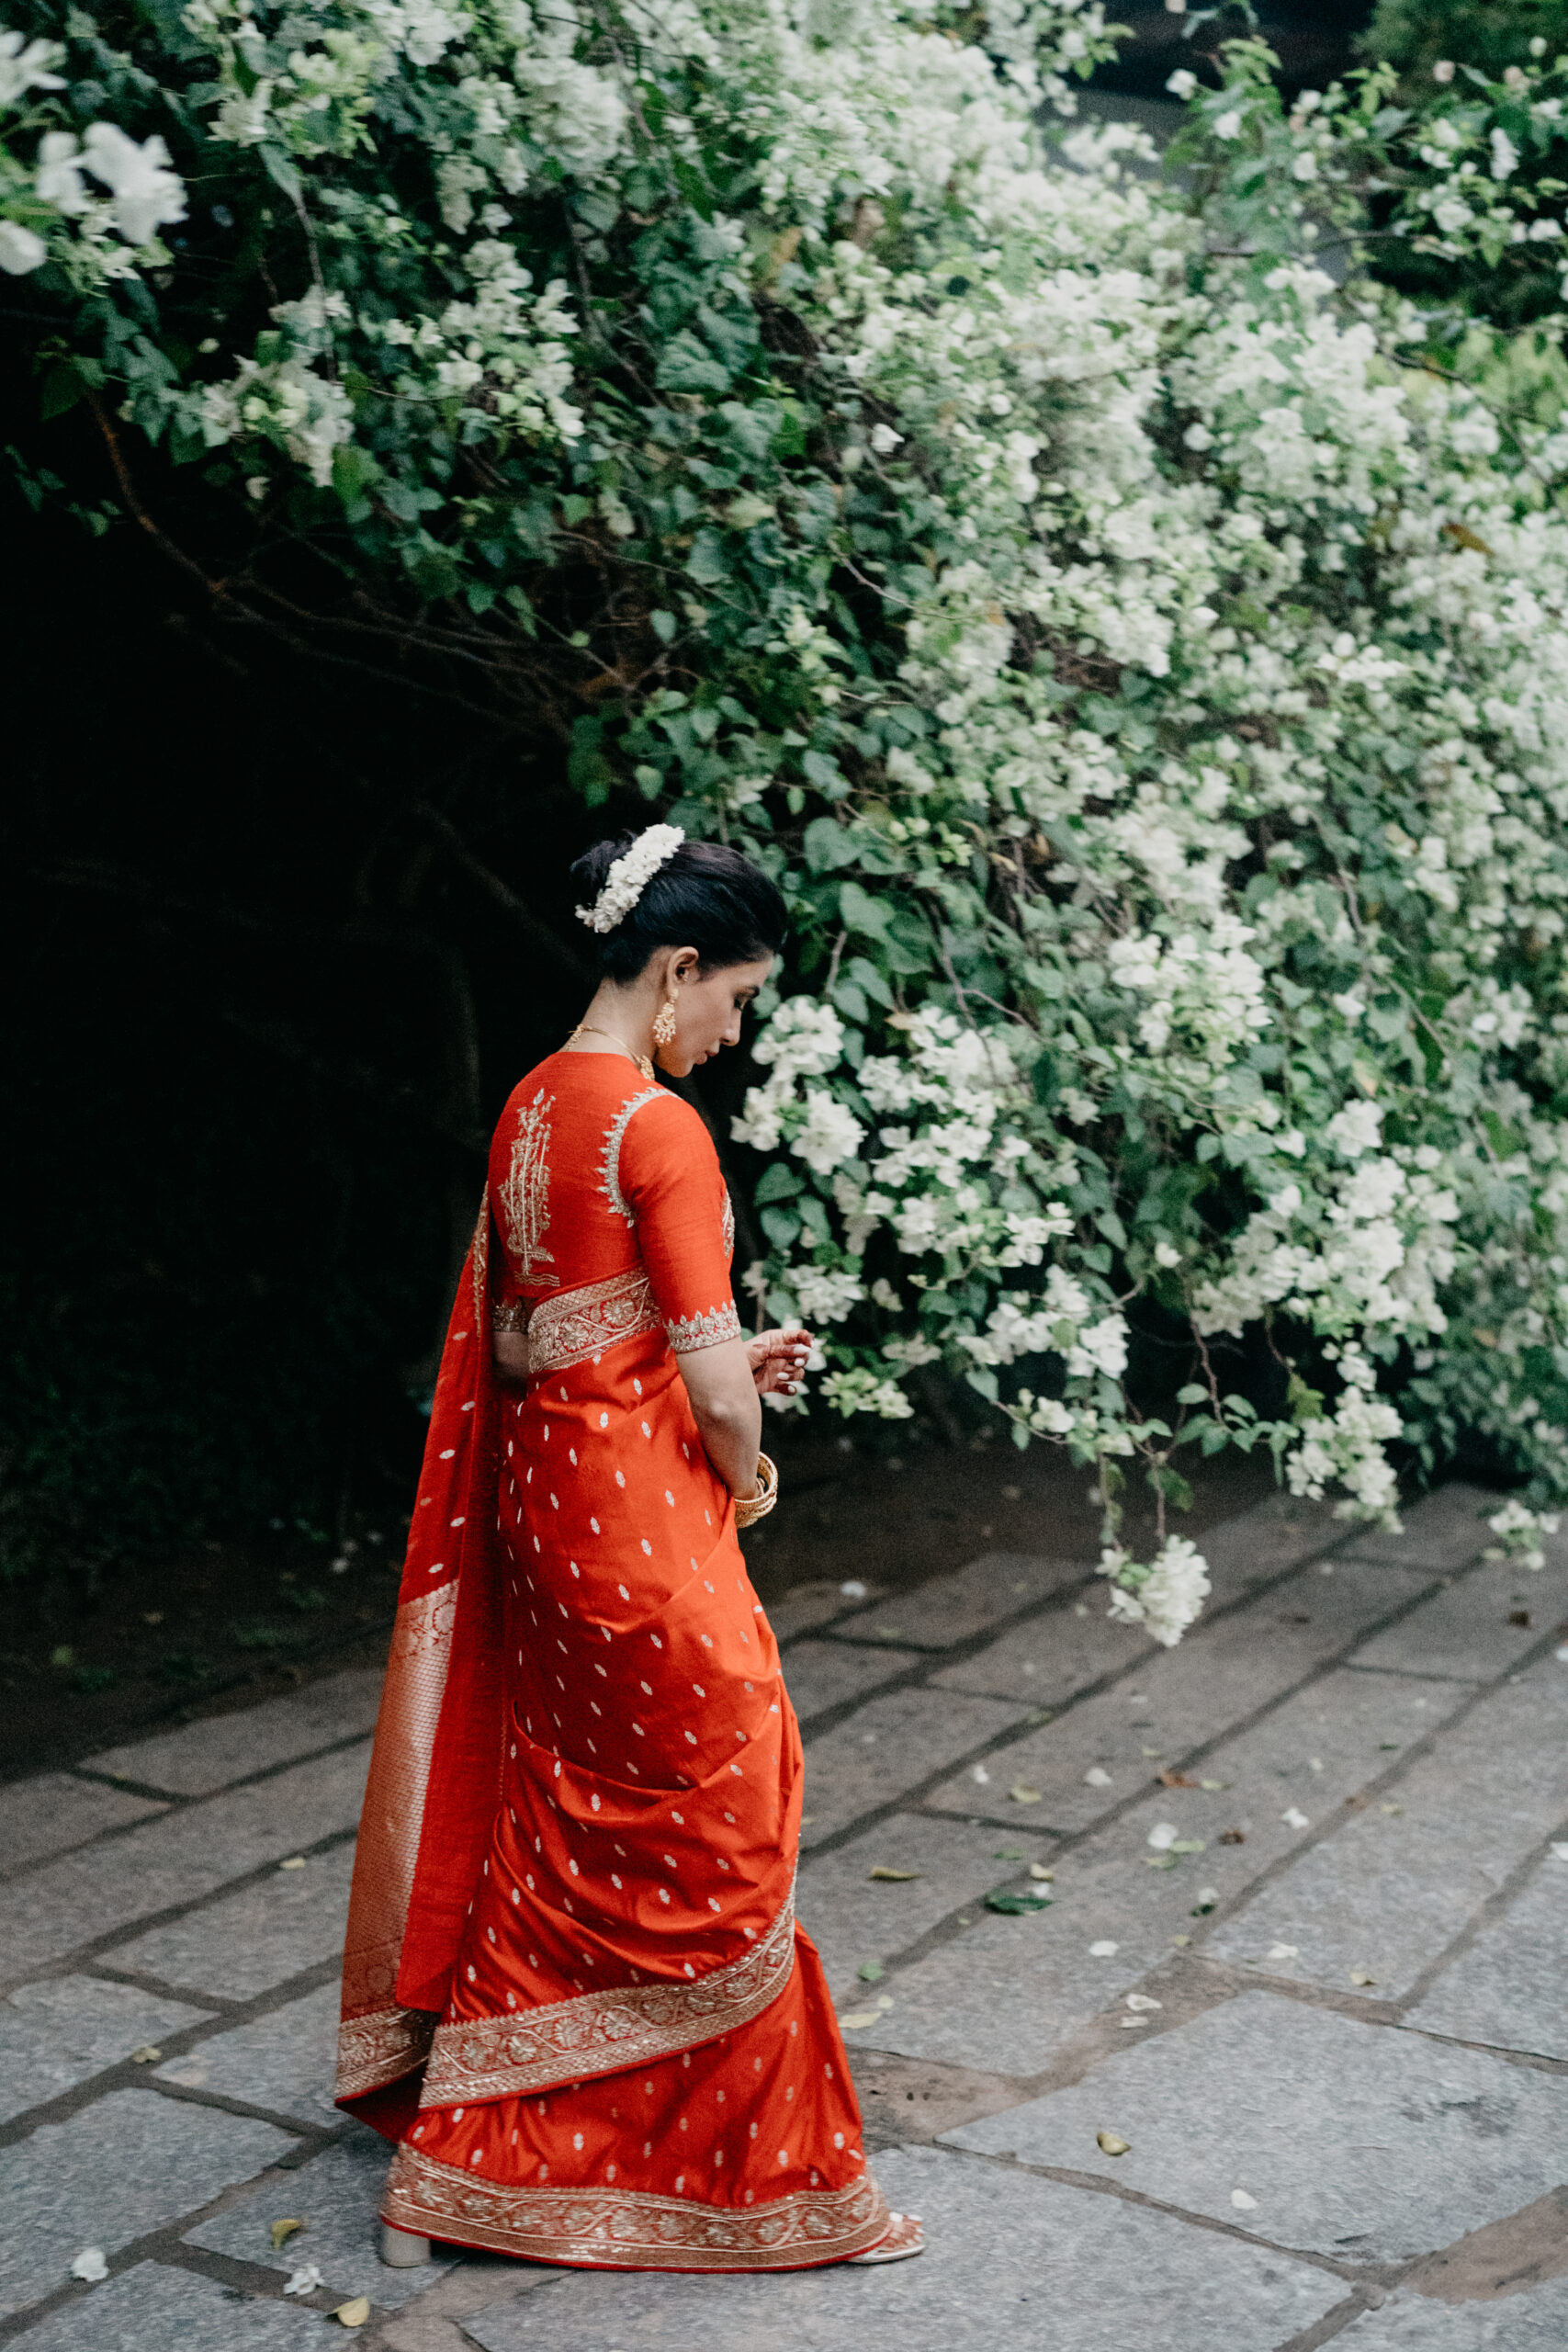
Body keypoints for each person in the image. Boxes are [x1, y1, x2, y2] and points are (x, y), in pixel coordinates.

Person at [335, 824, 923, 2272]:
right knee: (724, 1818)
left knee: (566, 1841)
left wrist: (693, 1360)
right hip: (647, 1540)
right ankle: (757, 2181)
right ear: (677, 968)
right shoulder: (659, 1128)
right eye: (736, 998)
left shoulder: (533, 1104)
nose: (734, 1032)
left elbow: (532, 1342)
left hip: (550, 1525)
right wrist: (747, 1461)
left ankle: (463, 2165)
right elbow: (715, 1398)